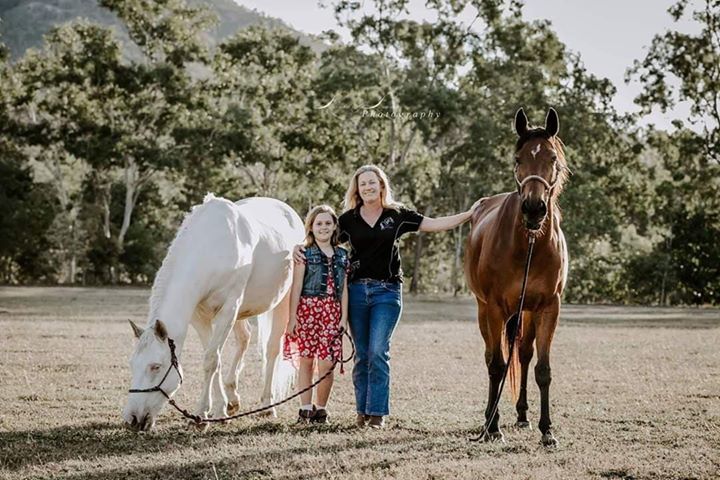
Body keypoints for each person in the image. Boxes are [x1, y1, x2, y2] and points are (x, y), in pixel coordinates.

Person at [294, 165, 481, 429]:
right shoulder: (348, 220)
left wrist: (470, 214)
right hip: (357, 291)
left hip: (387, 292)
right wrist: (297, 249)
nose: (368, 187)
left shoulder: (397, 215)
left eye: (372, 183)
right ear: (357, 190)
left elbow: (434, 224)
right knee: (361, 354)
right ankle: (362, 411)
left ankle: (377, 414)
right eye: (363, 184)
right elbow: (320, 237)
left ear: (382, 185)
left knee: (378, 351)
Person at [284, 205, 349, 424]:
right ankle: (305, 409)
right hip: (307, 311)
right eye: (319, 223)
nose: (323, 227)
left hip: (332, 313)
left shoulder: (342, 255)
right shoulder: (304, 253)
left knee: (327, 363)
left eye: (328, 223)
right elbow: (296, 286)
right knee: (306, 361)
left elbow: (345, 289)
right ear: (311, 227)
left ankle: (321, 409)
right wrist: (292, 318)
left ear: (334, 227)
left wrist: (343, 318)